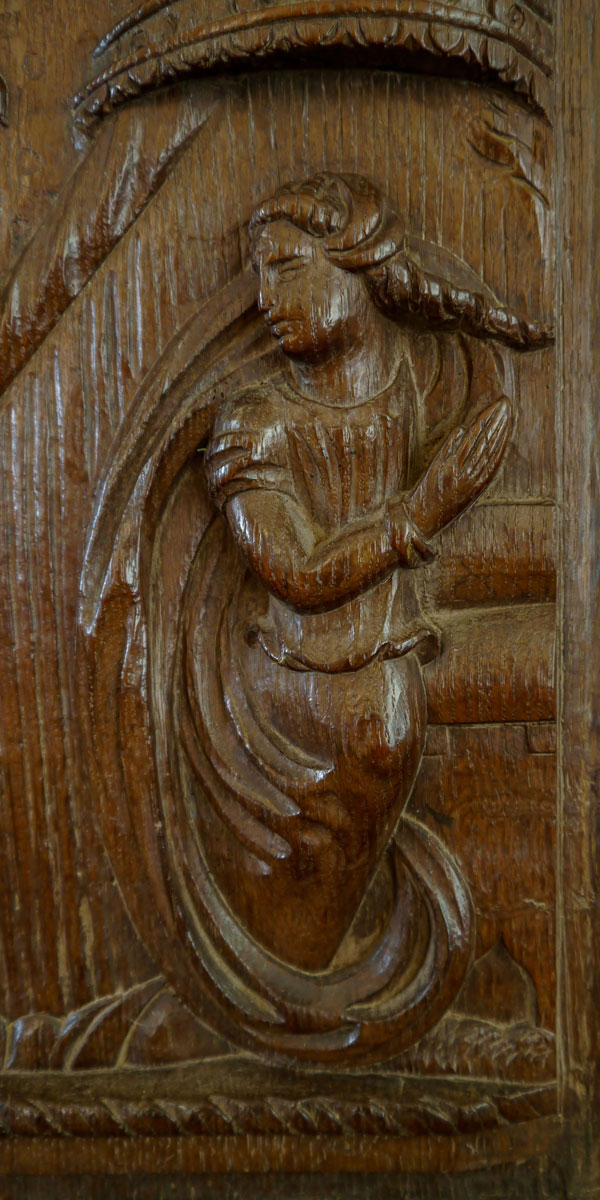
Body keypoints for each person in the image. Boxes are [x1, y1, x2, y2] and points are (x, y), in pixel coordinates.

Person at [182, 173, 543, 974]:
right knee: (293, 928)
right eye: (259, 274)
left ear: (359, 265)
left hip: (386, 694)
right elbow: (295, 572)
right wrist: (418, 516)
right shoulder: (256, 423)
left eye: (287, 268)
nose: (265, 297)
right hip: (291, 710)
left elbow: (490, 394)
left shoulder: (427, 378)